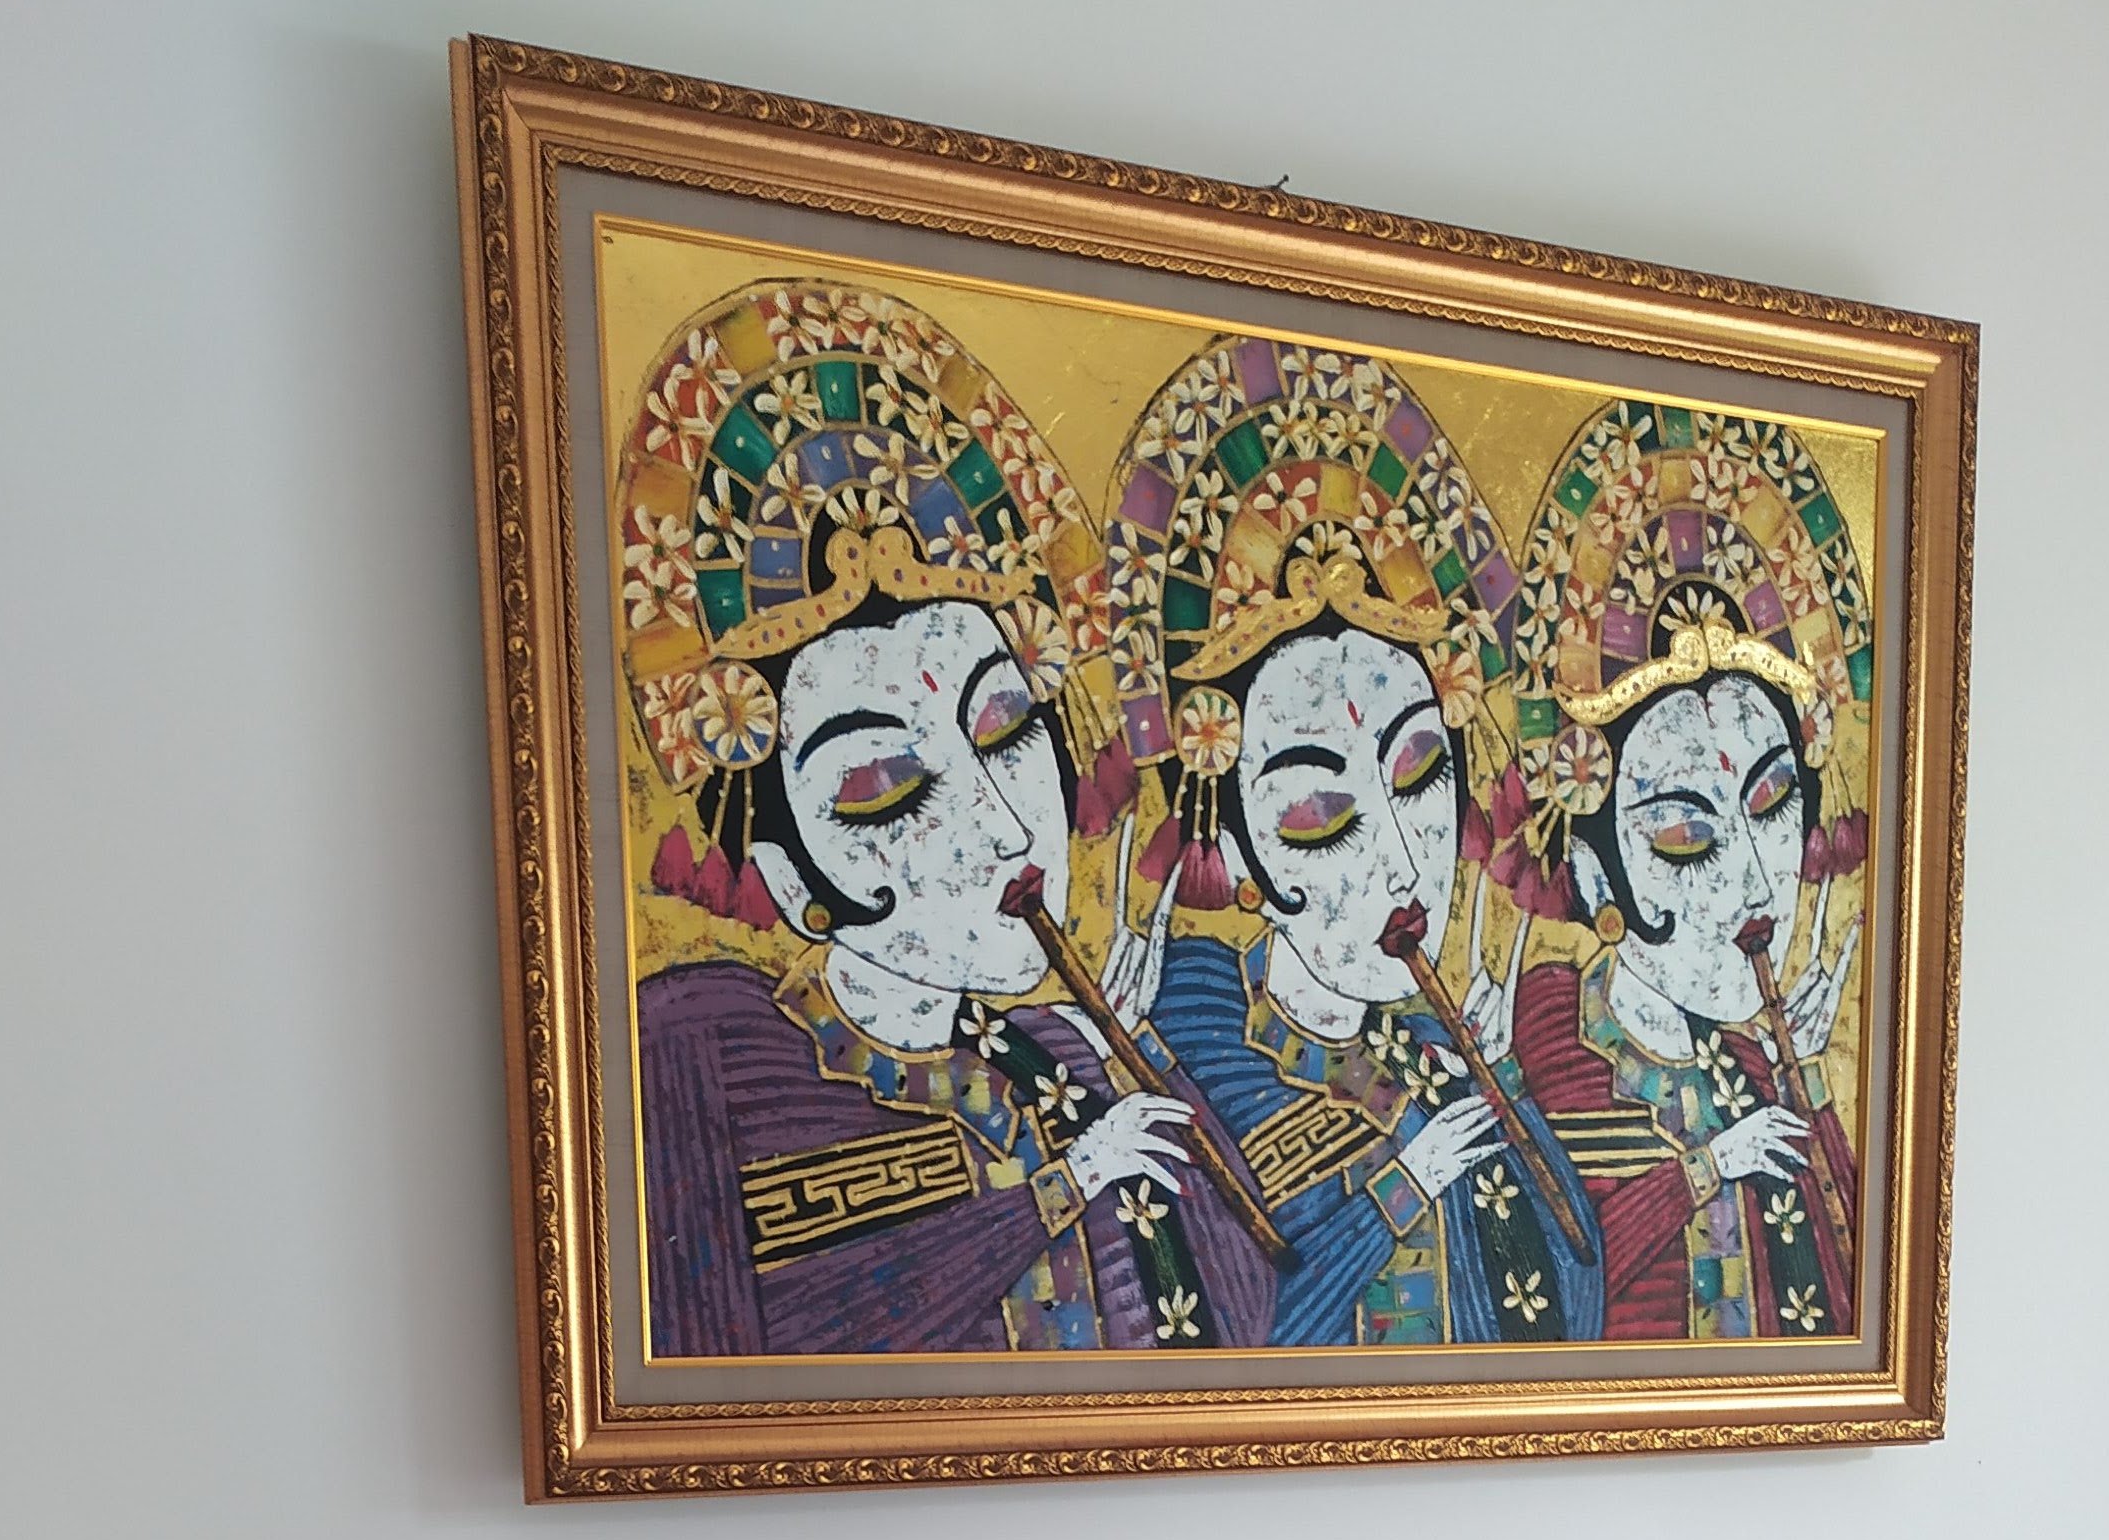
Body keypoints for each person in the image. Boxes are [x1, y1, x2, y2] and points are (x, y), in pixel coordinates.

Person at [619, 281, 1275, 1357]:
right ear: (788, 880)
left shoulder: (1054, 1044)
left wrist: (1129, 1049)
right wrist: (1060, 1188)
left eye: (1007, 727)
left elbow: (1248, 1309)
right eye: (885, 786)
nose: (1005, 829)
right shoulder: (707, 1053)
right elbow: (740, 1353)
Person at [1097, 334, 1601, 1350]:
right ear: (1235, 854)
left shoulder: (1434, 1047)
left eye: (1418, 777)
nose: (1402, 863)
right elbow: (1227, 1339)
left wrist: (1498, 1082)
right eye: (1320, 818)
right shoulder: (1193, 1048)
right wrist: (1406, 1187)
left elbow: (1576, 1299)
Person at [1505, 400, 1873, 1340]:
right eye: (1683, 836)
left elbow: (1860, 1284)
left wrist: (1804, 1080)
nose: (1755, 884)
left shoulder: (1756, 1055)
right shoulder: (1552, 1041)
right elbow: (1547, 1273)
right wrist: (1707, 1168)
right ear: (1598, 878)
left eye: (1772, 801)